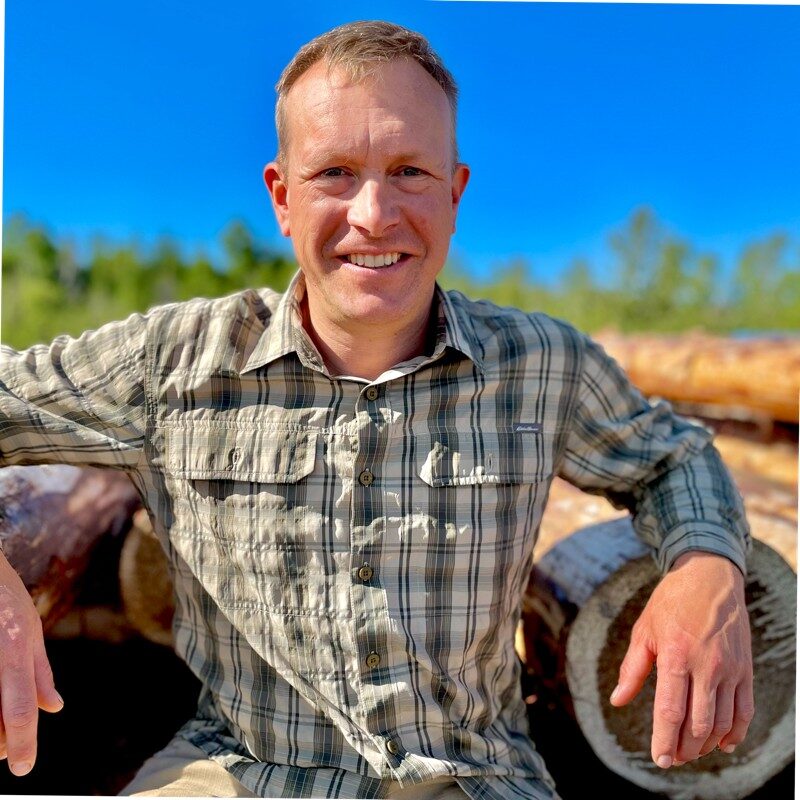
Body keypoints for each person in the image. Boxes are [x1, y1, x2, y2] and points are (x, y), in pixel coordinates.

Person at [0, 20, 753, 800]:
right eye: (334, 172)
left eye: (409, 171)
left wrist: (705, 564)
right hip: (237, 768)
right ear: (282, 197)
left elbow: (673, 457)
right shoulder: (175, 361)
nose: (374, 212)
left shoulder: (544, 366)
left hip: (474, 777)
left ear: (455, 194)